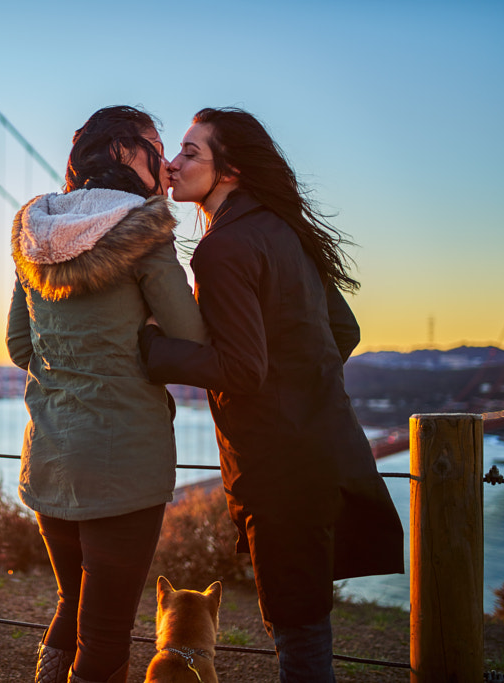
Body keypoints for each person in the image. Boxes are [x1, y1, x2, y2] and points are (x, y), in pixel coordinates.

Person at [140, 108, 405, 682]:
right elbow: (344, 332)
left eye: (190, 153)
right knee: (308, 623)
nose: (171, 163)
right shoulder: (285, 231)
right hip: (327, 451)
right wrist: (298, 391)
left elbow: (240, 368)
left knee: (298, 634)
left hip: (278, 471)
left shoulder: (221, 248)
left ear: (229, 170)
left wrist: (151, 348)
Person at [6, 105, 207, 683]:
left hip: (48, 458)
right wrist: (141, 338)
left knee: (74, 604)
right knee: (106, 635)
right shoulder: (146, 229)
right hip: (124, 468)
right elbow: (189, 340)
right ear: (122, 152)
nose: (168, 165)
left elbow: (20, 344)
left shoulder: (33, 228)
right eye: (155, 145)